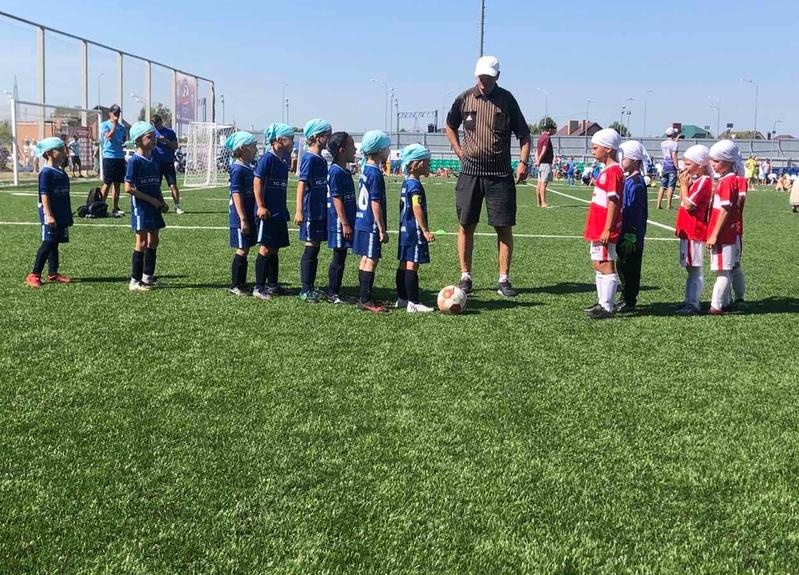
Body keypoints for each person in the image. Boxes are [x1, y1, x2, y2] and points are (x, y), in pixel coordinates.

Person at [445, 56, 531, 297]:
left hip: (500, 175)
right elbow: (449, 125)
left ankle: (503, 279)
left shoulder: (507, 100)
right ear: (476, 75)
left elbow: (524, 135)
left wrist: (523, 162)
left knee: (503, 227)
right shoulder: (464, 98)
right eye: (481, 77)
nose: (484, 81)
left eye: (489, 77)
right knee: (466, 225)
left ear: (497, 77)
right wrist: (459, 151)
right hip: (470, 173)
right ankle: (465, 276)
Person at [582, 129, 623, 319]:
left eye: (595, 148)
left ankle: (607, 306)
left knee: (606, 264)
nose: (592, 151)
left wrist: (608, 228)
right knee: (598, 264)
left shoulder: (614, 171)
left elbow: (613, 201)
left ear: (607, 149)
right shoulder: (606, 170)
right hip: (597, 226)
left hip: (604, 227)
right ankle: (602, 301)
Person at [124, 121, 169, 291]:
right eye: (150, 137)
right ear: (137, 140)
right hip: (141, 208)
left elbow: (155, 184)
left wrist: (161, 201)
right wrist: (151, 200)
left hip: (154, 205)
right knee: (141, 242)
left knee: (154, 240)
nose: (154, 140)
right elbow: (128, 188)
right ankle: (135, 281)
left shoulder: (153, 159)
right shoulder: (134, 161)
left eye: (154, 136)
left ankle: (147, 277)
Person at [25, 138, 74, 288]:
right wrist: (49, 215)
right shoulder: (46, 172)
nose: (64, 153)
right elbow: (44, 195)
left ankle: (53, 273)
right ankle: (34, 274)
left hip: (61, 212)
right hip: (50, 213)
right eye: (60, 150)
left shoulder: (61, 172)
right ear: (49, 153)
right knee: (48, 242)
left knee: (55, 242)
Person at [253, 123, 294, 299]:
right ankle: (258, 287)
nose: (292, 142)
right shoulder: (267, 159)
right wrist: (261, 205)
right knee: (265, 248)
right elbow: (257, 181)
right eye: (290, 139)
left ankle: (273, 285)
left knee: (275, 247)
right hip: (267, 212)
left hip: (278, 211)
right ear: (279, 140)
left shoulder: (282, 162)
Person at [294, 118, 332, 303]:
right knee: (310, 247)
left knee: (315, 247)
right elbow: (302, 184)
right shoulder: (309, 158)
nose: (329, 139)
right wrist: (299, 210)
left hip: (319, 210)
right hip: (310, 211)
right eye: (327, 135)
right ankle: (305, 289)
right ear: (317, 137)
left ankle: (310, 286)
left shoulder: (321, 159)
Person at [353, 130, 391, 313]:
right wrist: (382, 229)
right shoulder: (375, 173)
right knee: (371, 259)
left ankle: (364, 295)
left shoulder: (366, 170)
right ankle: (365, 299)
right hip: (370, 223)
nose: (389, 150)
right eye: (387, 147)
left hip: (361, 221)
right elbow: (375, 203)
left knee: (365, 258)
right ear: (380, 150)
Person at [396, 143, 436, 313]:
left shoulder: (406, 182)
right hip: (414, 230)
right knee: (413, 264)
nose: (429, 165)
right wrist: (425, 230)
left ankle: (402, 298)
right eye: (427, 161)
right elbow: (416, 207)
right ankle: (413, 302)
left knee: (404, 263)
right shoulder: (415, 185)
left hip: (405, 229)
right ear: (417, 163)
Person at [674, 145, 713, 315]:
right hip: (687, 229)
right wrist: (686, 186)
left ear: (700, 164)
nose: (685, 167)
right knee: (690, 267)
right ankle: (688, 301)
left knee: (695, 268)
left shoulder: (704, 181)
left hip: (694, 230)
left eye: (688, 164)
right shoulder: (697, 180)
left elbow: (689, 205)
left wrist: (683, 187)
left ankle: (693, 303)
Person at [706, 140, 743, 315]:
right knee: (724, 270)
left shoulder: (728, 181)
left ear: (727, 162)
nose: (712, 164)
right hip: (725, 233)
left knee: (723, 271)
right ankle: (725, 302)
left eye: (716, 161)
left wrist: (714, 234)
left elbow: (725, 210)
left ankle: (716, 305)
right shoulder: (726, 179)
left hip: (723, 234)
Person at [222, 131, 258, 296]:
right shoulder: (237, 169)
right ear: (243, 148)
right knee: (242, 248)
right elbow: (236, 193)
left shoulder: (246, 167)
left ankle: (242, 283)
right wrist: (243, 219)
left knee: (246, 247)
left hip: (247, 213)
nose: (256, 150)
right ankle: (236, 285)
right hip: (239, 215)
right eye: (253, 146)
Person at [616, 140, 648, 313]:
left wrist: (631, 234)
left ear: (635, 160)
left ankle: (629, 300)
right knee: (622, 266)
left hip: (632, 234)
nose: (621, 161)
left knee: (631, 268)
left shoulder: (636, 183)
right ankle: (625, 296)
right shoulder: (627, 179)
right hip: (623, 230)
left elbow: (634, 211)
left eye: (624, 158)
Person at [326, 131, 357, 304]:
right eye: (352, 146)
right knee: (338, 257)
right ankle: (332, 293)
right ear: (341, 150)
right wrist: (344, 223)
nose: (355, 150)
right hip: (339, 222)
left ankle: (337, 290)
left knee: (342, 256)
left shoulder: (344, 171)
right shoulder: (336, 172)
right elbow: (336, 198)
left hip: (347, 220)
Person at [100, 104, 127, 217]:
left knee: (117, 184)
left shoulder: (122, 127)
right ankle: (100, 206)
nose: (117, 115)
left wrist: (125, 142)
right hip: (109, 157)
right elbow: (109, 137)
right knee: (107, 183)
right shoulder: (104, 125)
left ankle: (115, 208)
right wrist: (114, 125)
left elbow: (123, 139)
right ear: (110, 113)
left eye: (118, 113)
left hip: (119, 157)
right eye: (115, 113)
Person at [152, 115, 183, 214]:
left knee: (173, 185)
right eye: (153, 124)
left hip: (168, 162)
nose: (155, 125)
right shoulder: (151, 132)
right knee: (156, 186)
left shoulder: (169, 132)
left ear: (160, 122)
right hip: (156, 163)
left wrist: (166, 140)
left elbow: (175, 146)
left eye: (156, 123)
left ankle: (177, 206)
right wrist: (155, 140)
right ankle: (159, 205)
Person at [657, 127, 679, 209]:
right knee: (671, 186)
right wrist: (677, 167)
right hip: (672, 166)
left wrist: (675, 141)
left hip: (665, 166)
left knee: (662, 186)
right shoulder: (674, 144)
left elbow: (669, 145)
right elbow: (674, 155)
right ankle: (668, 205)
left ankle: (658, 204)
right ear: (673, 134)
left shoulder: (663, 143)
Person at [534, 124, 555, 207]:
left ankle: (538, 203)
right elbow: (544, 150)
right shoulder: (547, 137)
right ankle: (543, 203)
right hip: (545, 163)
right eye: (553, 129)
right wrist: (539, 160)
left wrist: (537, 161)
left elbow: (536, 151)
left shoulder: (540, 138)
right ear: (549, 129)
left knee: (539, 183)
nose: (554, 131)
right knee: (544, 183)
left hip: (541, 164)